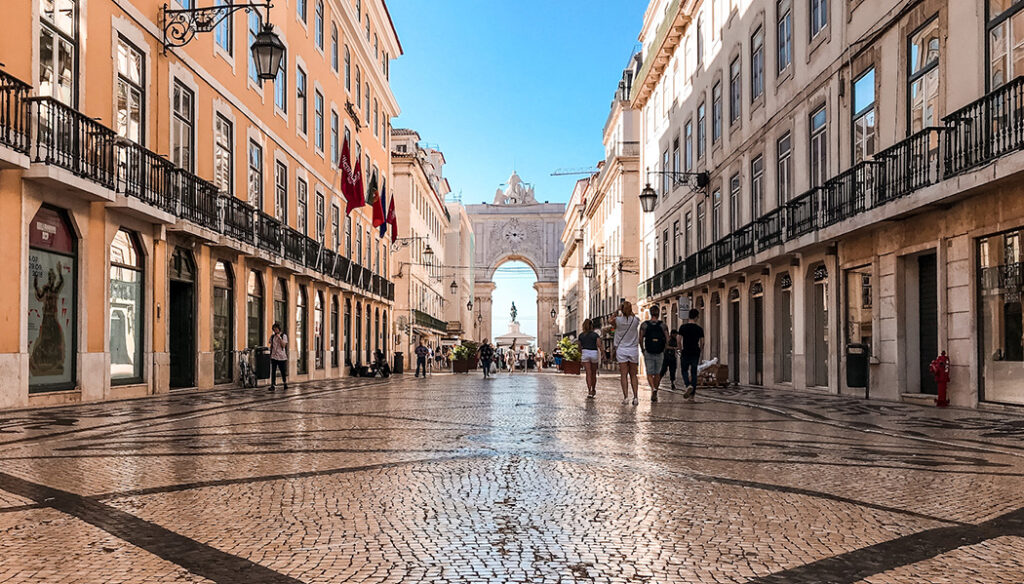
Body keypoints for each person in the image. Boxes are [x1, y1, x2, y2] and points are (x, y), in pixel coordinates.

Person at [639, 305, 670, 402]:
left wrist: (642, 349)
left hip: (648, 351)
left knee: (649, 373)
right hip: (660, 351)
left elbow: (640, 338)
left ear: (650, 313)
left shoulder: (644, 325)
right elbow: (668, 338)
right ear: (658, 313)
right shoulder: (663, 325)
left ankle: (653, 388)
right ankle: (655, 390)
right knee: (657, 373)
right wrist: (665, 348)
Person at [612, 301, 641, 405]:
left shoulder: (618, 320)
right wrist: (629, 311)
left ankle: (626, 398)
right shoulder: (636, 320)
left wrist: (617, 310)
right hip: (633, 350)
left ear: (622, 309)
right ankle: (636, 397)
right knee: (633, 375)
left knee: (623, 374)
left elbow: (611, 320)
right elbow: (633, 316)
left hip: (621, 349)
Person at [677, 308, 705, 401]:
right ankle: (692, 396)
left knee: (684, 370)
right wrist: (700, 350)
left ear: (689, 316)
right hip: (695, 352)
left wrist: (681, 349)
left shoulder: (683, 327)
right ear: (697, 317)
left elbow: (679, 340)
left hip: (686, 351)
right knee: (693, 373)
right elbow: (702, 342)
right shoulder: (699, 329)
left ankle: (687, 385)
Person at [578, 319, 601, 398]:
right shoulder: (595, 335)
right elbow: (599, 344)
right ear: (591, 326)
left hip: (585, 353)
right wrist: (603, 352)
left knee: (588, 373)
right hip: (593, 353)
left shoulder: (581, 336)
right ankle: (593, 389)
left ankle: (589, 391)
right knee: (593, 373)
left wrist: (581, 355)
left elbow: (579, 347)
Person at [268, 323, 288, 392]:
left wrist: (280, 338)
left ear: (279, 329)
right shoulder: (272, 337)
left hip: (281, 357)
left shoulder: (284, 336)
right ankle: (272, 385)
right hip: (274, 356)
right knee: (273, 371)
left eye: (276, 329)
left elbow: (283, 345)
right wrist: (270, 355)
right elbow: (271, 345)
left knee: (282, 371)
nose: (275, 330)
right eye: (274, 329)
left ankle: (285, 383)